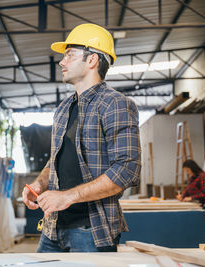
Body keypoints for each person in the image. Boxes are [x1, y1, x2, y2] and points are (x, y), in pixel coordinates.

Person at [22, 23, 141, 253]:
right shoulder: (64, 108)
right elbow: (57, 158)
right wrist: (39, 183)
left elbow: (127, 169)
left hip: (91, 231)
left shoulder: (115, 104)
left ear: (92, 60)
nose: (62, 61)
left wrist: (67, 197)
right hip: (53, 228)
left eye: (69, 55)